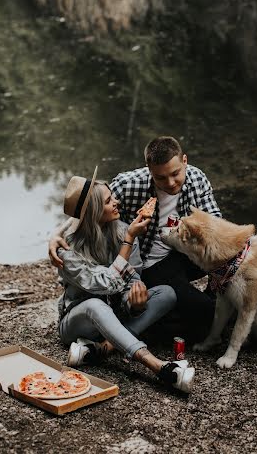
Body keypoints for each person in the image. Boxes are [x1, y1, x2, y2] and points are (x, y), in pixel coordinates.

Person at [49, 136, 222, 342]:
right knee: (207, 313)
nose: (170, 182)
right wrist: (56, 234)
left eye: (175, 174)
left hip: (182, 254)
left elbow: (216, 225)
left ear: (184, 161)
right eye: (160, 178)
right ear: (149, 170)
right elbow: (88, 206)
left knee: (221, 266)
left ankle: (199, 301)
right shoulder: (128, 184)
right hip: (152, 265)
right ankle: (146, 328)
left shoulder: (197, 178)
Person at [56, 167, 195, 393]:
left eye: (114, 197)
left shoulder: (122, 230)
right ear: (94, 211)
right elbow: (106, 285)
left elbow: (132, 280)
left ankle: (103, 349)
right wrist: (129, 240)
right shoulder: (66, 250)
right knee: (95, 304)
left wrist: (134, 305)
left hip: (116, 317)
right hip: (78, 325)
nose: (117, 202)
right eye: (109, 200)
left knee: (166, 293)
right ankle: (158, 367)